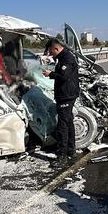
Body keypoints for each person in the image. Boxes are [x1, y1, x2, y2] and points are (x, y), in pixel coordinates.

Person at [41, 38, 80, 168]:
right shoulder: (63, 57)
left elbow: (64, 76)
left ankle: (62, 156)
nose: (50, 54)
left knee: (63, 125)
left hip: (66, 95)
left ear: (56, 48)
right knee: (68, 122)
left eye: (51, 51)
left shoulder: (67, 58)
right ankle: (71, 150)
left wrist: (50, 73)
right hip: (65, 94)